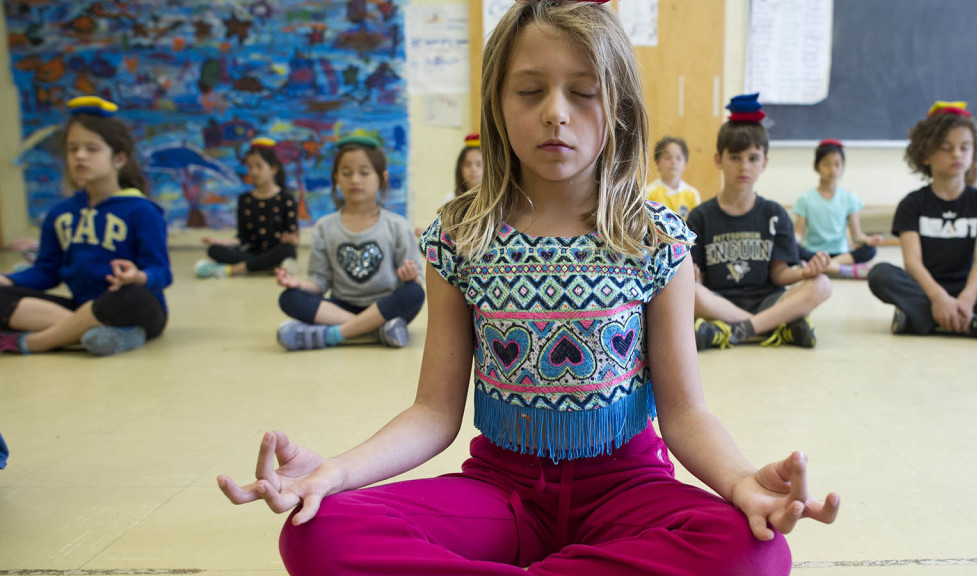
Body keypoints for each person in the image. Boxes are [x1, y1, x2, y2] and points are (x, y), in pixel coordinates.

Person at [218, 4, 839, 575]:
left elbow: (684, 413)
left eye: (583, 91)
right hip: (501, 492)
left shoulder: (658, 240)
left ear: (618, 106)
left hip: (628, 491)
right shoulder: (459, 237)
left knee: (755, 554)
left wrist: (738, 482)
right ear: (497, 103)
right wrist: (336, 471)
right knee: (316, 533)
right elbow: (434, 413)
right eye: (530, 90)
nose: (556, 112)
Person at [0, 96, 172, 356]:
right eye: (72, 149)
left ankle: (34, 342)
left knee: (131, 296)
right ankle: (94, 334)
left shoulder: (142, 210)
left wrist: (138, 276)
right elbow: (46, 272)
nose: (80, 156)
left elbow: (162, 272)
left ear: (119, 158)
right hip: (80, 308)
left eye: (92, 149)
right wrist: (8, 280)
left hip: (131, 306)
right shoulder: (60, 214)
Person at [867, 101, 977, 342]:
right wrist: (939, 298)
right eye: (946, 147)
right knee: (880, 274)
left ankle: (921, 319)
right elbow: (912, 262)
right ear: (926, 155)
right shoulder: (912, 204)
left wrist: (968, 298)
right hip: (928, 289)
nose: (956, 154)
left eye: (964, 147)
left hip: (975, 288)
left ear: (974, 153)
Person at [688, 93, 832, 351]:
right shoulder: (700, 217)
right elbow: (698, 282)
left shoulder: (774, 213)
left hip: (769, 301)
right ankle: (775, 326)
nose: (744, 166)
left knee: (822, 284)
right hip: (720, 303)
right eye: (735, 157)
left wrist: (805, 273)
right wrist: (694, 281)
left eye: (753, 158)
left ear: (764, 163)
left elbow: (780, 275)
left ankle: (737, 332)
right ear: (718, 160)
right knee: (689, 292)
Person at [274, 136, 424, 350]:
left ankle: (331, 335)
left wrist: (410, 277)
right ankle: (376, 331)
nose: (355, 180)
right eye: (346, 173)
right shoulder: (325, 226)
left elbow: (416, 281)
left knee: (414, 294)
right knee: (290, 298)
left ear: (382, 178)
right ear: (336, 178)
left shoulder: (397, 225)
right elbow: (319, 281)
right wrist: (299, 284)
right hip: (339, 307)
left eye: (364, 173)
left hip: (384, 306)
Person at [195, 138, 299, 279]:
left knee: (287, 250)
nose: (253, 172)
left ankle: (233, 270)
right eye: (250, 167)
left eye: (259, 166)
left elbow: (294, 238)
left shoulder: (286, 198)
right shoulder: (245, 199)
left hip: (277, 251)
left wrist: (291, 239)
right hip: (252, 253)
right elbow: (242, 238)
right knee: (214, 250)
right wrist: (221, 242)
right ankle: (268, 266)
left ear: (273, 169)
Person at [793, 139, 883, 279]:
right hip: (814, 253)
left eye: (837, 164)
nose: (832, 169)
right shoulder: (805, 198)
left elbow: (856, 235)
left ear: (843, 167)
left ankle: (822, 266)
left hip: (842, 254)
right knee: (792, 249)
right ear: (817, 167)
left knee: (870, 250)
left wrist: (870, 240)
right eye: (826, 164)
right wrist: (790, 241)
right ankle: (842, 270)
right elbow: (799, 233)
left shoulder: (849, 198)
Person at [646, 135, 701, 219]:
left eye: (678, 158)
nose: (673, 162)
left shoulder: (692, 194)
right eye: (667, 158)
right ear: (657, 163)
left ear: (685, 165)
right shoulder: (649, 193)